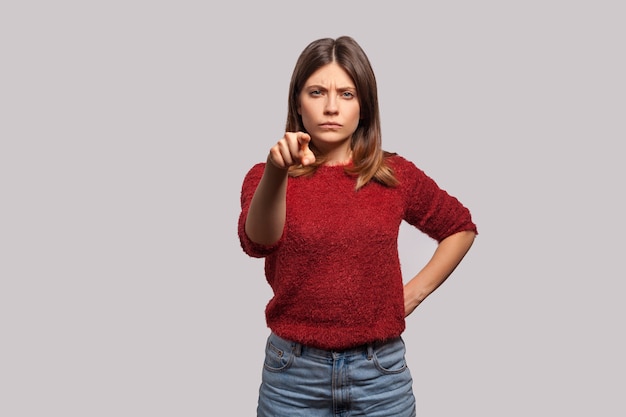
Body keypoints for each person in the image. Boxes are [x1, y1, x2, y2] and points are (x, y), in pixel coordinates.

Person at [238, 35, 478, 417]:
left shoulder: (393, 175)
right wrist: (276, 173)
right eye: (317, 92)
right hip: (293, 376)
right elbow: (259, 242)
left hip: (379, 375)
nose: (331, 107)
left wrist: (411, 295)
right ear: (298, 104)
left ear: (364, 107)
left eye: (346, 94)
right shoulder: (266, 175)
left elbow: (460, 227)